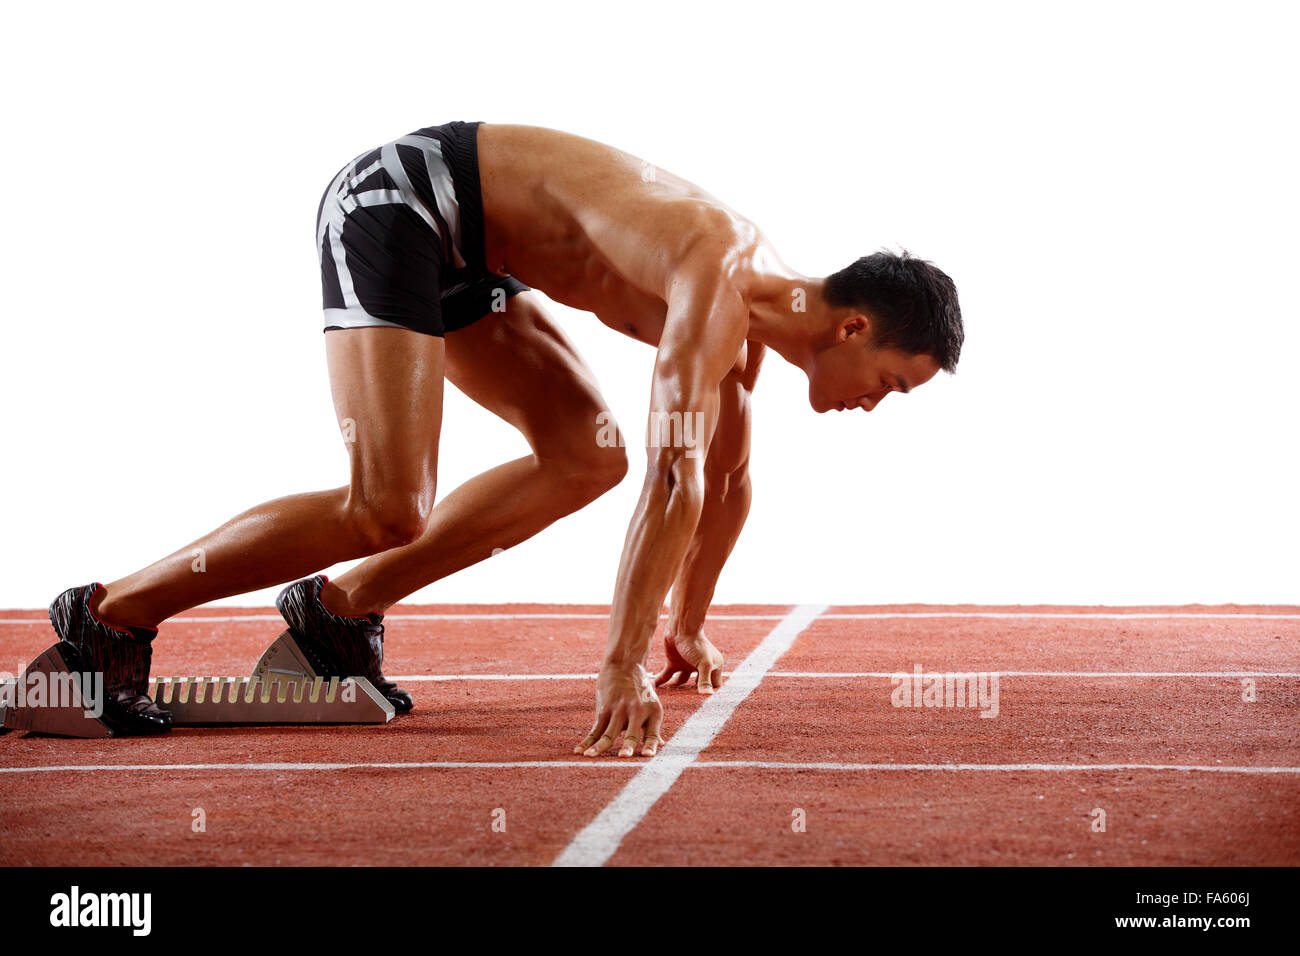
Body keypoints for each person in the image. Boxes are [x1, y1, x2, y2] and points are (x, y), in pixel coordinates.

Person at [48, 121, 963, 754]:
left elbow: (725, 483)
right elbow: (677, 479)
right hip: (399, 203)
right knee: (387, 505)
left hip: (471, 250)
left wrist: (683, 624)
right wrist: (620, 662)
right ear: (852, 328)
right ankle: (108, 618)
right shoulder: (720, 288)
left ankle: (336, 613)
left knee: (587, 454)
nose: (876, 405)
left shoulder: (749, 335)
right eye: (891, 383)